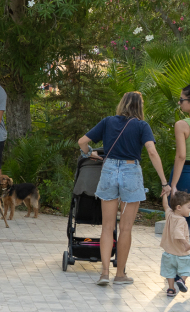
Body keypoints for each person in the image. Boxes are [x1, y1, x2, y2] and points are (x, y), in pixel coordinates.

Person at [79, 91, 170, 286]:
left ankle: (104, 273)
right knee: (126, 228)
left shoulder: (107, 122)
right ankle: (120, 274)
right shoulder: (142, 126)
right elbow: (152, 152)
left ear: (122, 104)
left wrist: (92, 154)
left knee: (107, 227)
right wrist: (164, 182)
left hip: (109, 170)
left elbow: (82, 142)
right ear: (140, 106)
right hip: (131, 172)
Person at [168, 84, 190, 289]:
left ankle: (179, 276)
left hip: (186, 175)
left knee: (181, 225)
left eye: (181, 99)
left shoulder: (182, 124)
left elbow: (181, 156)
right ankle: (183, 276)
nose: (180, 103)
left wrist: (173, 184)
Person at [160, 190, 190, 297]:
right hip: (181, 253)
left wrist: (164, 195)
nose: (189, 210)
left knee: (170, 272)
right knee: (187, 268)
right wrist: (186, 243)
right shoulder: (181, 220)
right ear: (179, 208)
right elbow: (178, 233)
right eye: (188, 207)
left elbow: (165, 205)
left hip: (168, 253)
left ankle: (171, 289)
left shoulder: (169, 214)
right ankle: (182, 280)